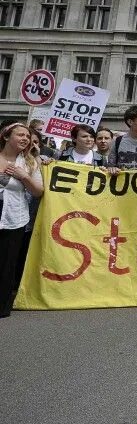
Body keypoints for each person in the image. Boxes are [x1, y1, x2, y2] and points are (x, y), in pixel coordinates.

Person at [0, 123, 45, 318]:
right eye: (20, 134)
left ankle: (2, 305)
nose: (25, 138)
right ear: (6, 136)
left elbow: (38, 191)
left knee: (7, 264)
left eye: (28, 136)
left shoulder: (29, 163)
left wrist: (24, 176)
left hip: (14, 218)